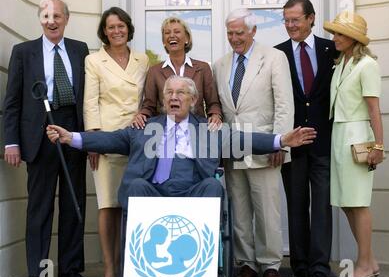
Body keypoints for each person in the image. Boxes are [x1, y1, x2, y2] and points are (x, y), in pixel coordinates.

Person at [47, 76, 315, 211]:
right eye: (169, 93)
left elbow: (241, 139)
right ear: (163, 100)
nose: (174, 97)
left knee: (212, 185)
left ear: (193, 100)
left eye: (181, 93)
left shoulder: (208, 129)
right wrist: (71, 137)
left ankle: (204, 268)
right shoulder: (146, 127)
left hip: (192, 192)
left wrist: (281, 139)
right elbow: (112, 138)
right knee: (137, 185)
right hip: (154, 192)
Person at [2, 0, 89, 277]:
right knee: (39, 207)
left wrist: (89, 139)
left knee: (73, 202)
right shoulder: (23, 52)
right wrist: (11, 142)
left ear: (66, 19)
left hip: (72, 132)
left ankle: (70, 268)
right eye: (46, 16)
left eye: (57, 16)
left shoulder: (80, 50)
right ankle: (38, 271)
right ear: (40, 19)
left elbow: (87, 99)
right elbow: (12, 102)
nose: (51, 21)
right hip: (38, 137)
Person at [213, 8, 294, 277]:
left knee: (268, 210)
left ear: (253, 31)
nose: (234, 38)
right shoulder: (220, 64)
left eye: (239, 33)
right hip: (234, 150)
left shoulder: (274, 58)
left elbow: (284, 104)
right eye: (230, 33)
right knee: (240, 211)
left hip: (265, 149)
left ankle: (270, 264)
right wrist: (220, 150)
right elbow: (221, 112)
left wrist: (280, 144)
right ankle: (246, 264)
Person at [83, 7, 149, 277]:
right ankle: (110, 269)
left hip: (137, 141)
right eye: (111, 27)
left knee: (133, 204)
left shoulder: (143, 59)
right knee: (108, 205)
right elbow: (90, 102)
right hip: (108, 141)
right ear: (104, 31)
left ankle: (131, 267)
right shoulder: (93, 60)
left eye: (121, 26)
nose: (117, 31)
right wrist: (93, 141)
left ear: (128, 28)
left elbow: (149, 98)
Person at [274, 0, 338, 277]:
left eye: (295, 20)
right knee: (296, 204)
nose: (290, 25)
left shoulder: (331, 49)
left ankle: (319, 267)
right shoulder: (278, 54)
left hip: (324, 142)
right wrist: (281, 140)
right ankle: (299, 265)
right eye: (286, 20)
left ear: (310, 18)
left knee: (322, 206)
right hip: (293, 143)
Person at [323, 11, 383, 277]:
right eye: (334, 33)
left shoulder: (367, 64)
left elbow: (374, 108)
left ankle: (364, 264)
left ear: (353, 38)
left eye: (340, 33)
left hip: (358, 135)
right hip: (339, 134)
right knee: (347, 204)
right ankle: (369, 262)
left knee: (358, 203)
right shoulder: (343, 62)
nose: (334, 38)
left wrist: (379, 146)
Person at [132, 16, 222, 129]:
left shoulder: (203, 68)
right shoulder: (154, 71)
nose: (171, 35)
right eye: (167, 33)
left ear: (187, 39)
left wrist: (215, 115)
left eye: (177, 31)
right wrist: (142, 115)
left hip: (197, 130)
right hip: (165, 131)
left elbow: (213, 103)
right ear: (164, 41)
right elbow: (149, 105)